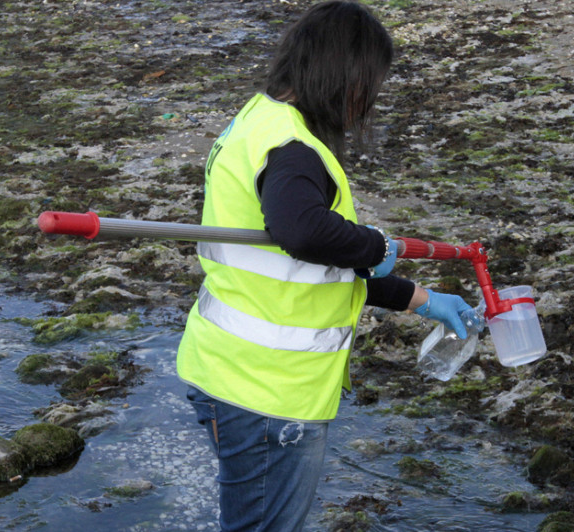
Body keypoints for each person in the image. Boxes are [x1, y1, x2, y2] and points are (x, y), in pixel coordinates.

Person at [176, 2, 473, 530]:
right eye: (369, 85)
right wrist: (376, 245)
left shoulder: (257, 120)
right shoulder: (292, 147)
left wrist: (420, 299)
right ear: (345, 76)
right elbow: (304, 232)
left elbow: (312, 266)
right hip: (267, 393)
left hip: (227, 371)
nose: (369, 101)